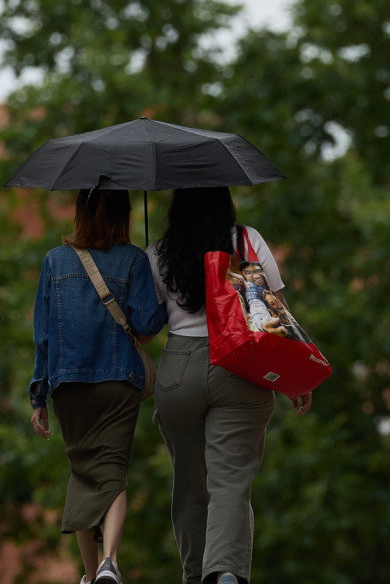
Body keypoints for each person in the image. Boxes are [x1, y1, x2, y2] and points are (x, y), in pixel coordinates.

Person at [145, 187, 313, 584]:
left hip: (180, 369)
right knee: (230, 481)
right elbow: (277, 313)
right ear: (224, 202)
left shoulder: (157, 252)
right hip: (241, 365)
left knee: (189, 483)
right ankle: (224, 575)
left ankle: (194, 576)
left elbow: (146, 326)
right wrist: (296, 377)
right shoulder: (246, 241)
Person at [28, 188, 167, 584]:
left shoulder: (54, 261)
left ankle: (90, 577)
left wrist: (38, 396)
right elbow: (146, 327)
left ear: (79, 213)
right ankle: (110, 562)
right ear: (124, 213)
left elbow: (43, 336)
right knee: (112, 471)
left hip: (68, 384)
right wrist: (151, 288)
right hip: (117, 381)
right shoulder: (134, 259)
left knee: (83, 472)